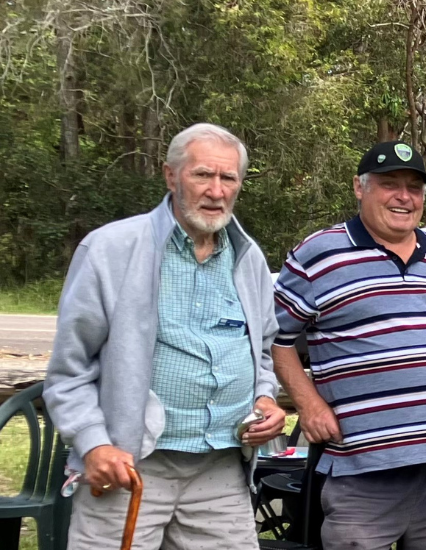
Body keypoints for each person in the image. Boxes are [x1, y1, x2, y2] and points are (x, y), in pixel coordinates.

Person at [44, 123, 285, 548]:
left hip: (220, 472)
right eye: (202, 175)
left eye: (228, 178)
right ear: (171, 176)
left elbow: (261, 353)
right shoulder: (110, 250)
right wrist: (94, 444)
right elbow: (70, 370)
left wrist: (264, 398)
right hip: (131, 469)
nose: (216, 190)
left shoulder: (248, 259)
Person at [273, 140, 426, 548]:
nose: (403, 197)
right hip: (362, 473)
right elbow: (276, 338)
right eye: (390, 183)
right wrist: (308, 403)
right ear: (360, 187)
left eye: (414, 188)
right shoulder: (319, 255)